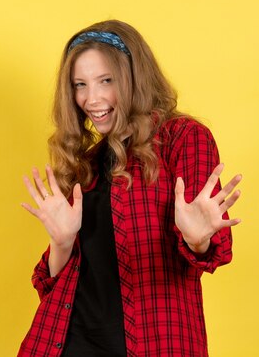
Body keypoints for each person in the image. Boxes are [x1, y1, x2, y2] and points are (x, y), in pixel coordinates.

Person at [17, 20, 242, 357]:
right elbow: (52, 284)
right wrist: (61, 243)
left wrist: (198, 239)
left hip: (154, 342)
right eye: (80, 84)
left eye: (106, 81)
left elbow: (211, 252)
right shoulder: (88, 163)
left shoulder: (183, 138)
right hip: (67, 344)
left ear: (135, 77)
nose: (91, 98)